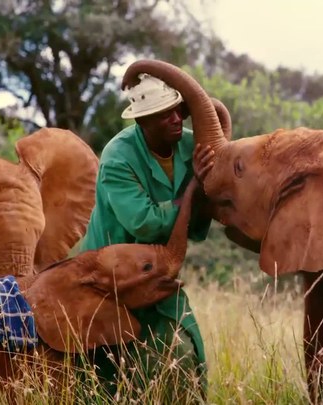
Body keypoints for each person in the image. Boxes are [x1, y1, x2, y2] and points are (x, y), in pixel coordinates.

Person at [74, 72, 215, 400]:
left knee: (185, 352)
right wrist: (192, 188)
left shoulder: (191, 144)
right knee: (105, 370)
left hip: (161, 274)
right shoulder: (117, 157)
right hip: (109, 279)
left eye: (178, 110)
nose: (176, 119)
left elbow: (208, 206)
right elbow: (146, 223)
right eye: (165, 114)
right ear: (144, 122)